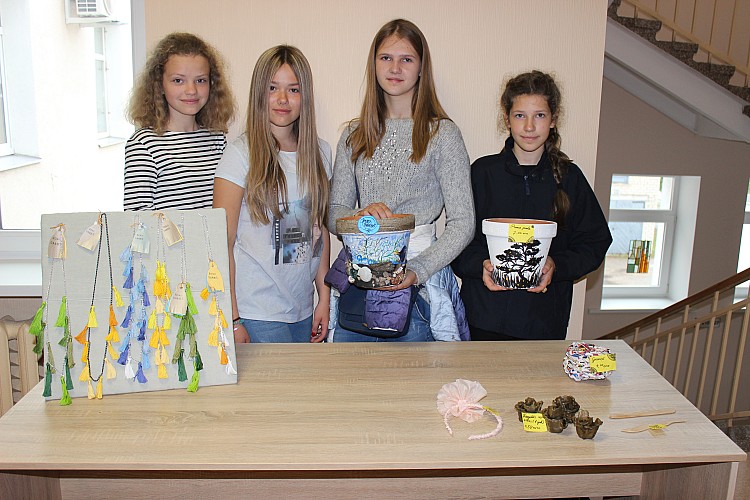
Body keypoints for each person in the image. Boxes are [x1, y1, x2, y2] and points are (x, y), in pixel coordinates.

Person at [328, 19, 474, 342]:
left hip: (416, 294)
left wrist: (417, 270)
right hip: (359, 286)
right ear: (374, 64)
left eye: (406, 59)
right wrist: (358, 217)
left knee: (413, 378)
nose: (395, 68)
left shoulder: (442, 135)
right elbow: (334, 213)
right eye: (386, 58)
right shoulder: (354, 134)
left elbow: (463, 222)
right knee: (349, 375)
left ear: (421, 68)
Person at [452, 70, 612, 341]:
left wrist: (556, 266)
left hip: (544, 324)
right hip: (483, 319)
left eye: (539, 115)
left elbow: (594, 242)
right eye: (519, 115)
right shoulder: (482, 173)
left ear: (553, 120)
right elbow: (458, 239)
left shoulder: (570, 178)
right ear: (507, 119)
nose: (529, 127)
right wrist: (481, 266)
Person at [213, 45, 331, 344]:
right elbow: (221, 242)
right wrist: (233, 318)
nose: (282, 99)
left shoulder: (320, 153)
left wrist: (324, 297)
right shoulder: (240, 155)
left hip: (303, 309)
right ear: (259, 93)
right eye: (272, 88)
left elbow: (320, 231)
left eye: (294, 89)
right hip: (255, 312)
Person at [124, 32, 236, 211]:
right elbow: (137, 218)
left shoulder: (216, 139)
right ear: (159, 85)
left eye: (200, 80)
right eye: (178, 80)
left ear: (212, 84)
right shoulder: (143, 144)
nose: (191, 90)